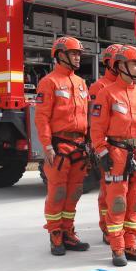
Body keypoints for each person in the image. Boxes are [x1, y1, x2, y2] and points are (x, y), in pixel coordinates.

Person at [90, 45, 136, 266]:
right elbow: (96, 127)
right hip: (117, 153)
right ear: (121, 65)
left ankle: (131, 245)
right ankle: (117, 249)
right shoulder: (107, 94)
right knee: (117, 202)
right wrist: (102, 151)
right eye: (134, 63)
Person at [35, 36, 90, 255]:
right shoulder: (49, 82)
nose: (78, 57)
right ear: (60, 55)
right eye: (74, 53)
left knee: (74, 192)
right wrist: (47, 146)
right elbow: (41, 117)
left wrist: (89, 144)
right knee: (57, 192)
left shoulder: (81, 83)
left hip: (79, 146)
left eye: (79, 54)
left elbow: (87, 116)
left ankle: (68, 231)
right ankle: (55, 233)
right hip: (59, 146)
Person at [88, 44, 122, 244]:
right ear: (108, 62)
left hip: (123, 149)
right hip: (107, 146)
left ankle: (119, 226)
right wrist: (99, 149)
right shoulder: (99, 87)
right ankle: (106, 227)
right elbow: (95, 122)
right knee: (107, 189)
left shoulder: (126, 86)